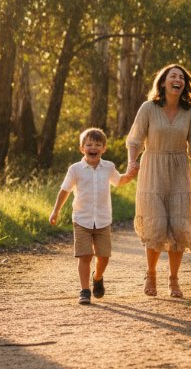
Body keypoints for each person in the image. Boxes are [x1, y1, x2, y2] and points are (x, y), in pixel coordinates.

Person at [126, 64, 191, 298]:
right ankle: (151, 274)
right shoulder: (148, 108)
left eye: (181, 77)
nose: (178, 80)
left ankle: (173, 280)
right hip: (153, 169)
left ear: (184, 85)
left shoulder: (189, 111)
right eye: (173, 76)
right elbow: (135, 139)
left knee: (180, 226)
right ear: (163, 82)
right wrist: (132, 161)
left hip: (179, 170)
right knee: (156, 224)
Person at [49, 127, 137, 305]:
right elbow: (64, 190)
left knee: (104, 256)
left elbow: (118, 181)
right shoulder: (75, 169)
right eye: (89, 144)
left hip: (103, 220)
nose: (93, 147)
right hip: (81, 219)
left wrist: (129, 175)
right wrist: (55, 211)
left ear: (104, 148)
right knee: (85, 256)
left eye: (97, 144)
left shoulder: (108, 167)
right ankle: (84, 291)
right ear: (82, 148)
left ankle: (97, 277)